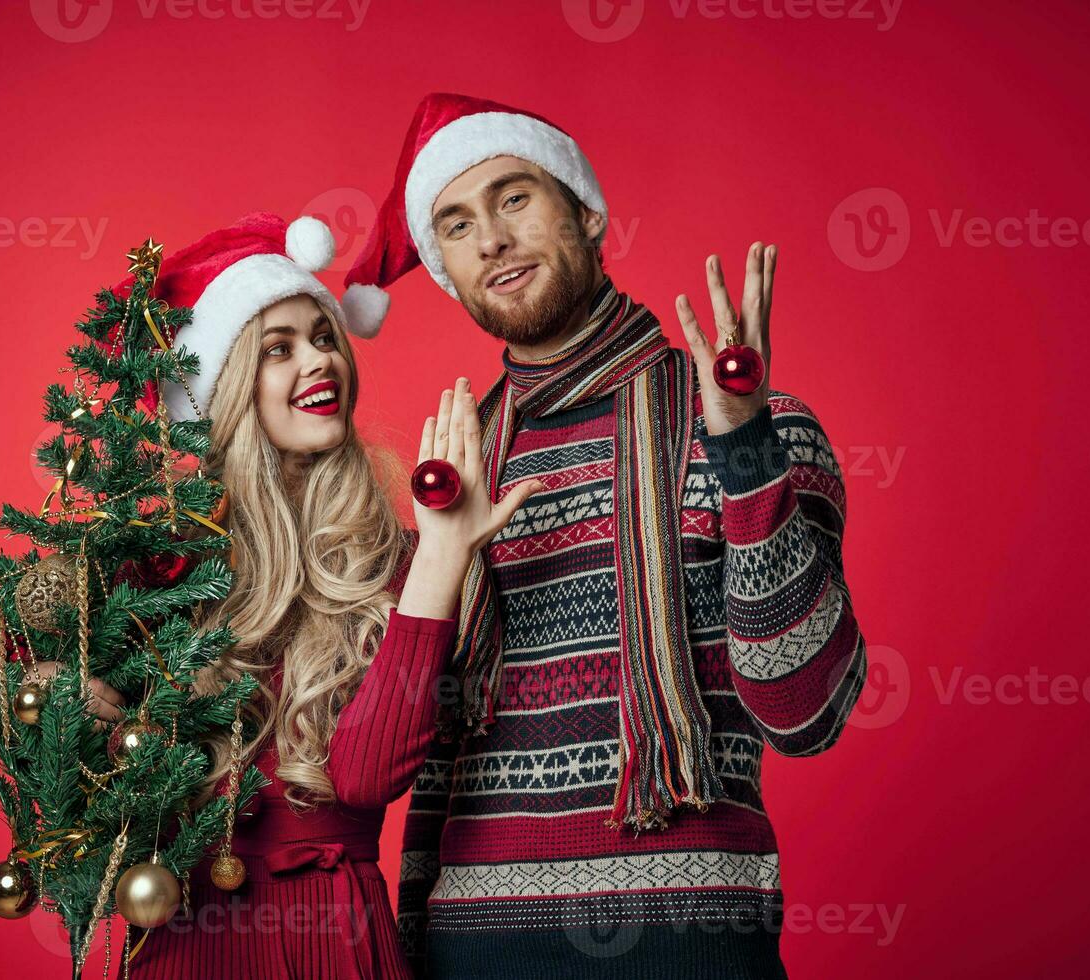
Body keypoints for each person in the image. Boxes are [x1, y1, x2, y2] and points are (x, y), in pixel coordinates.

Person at [341, 94, 869, 979]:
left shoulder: (762, 430)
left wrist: (741, 444)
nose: (492, 241)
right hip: (476, 950)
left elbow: (807, 712)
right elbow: (394, 759)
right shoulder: (453, 477)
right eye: (458, 225)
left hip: (691, 941)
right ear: (447, 270)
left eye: (514, 198)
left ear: (585, 212)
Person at [47, 212, 543, 979]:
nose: (319, 361)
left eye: (323, 338)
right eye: (279, 348)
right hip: (185, 940)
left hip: (336, 936)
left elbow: (366, 778)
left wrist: (444, 554)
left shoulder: (398, 563)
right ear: (227, 386)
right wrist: (63, 704)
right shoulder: (158, 571)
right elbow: (77, 803)